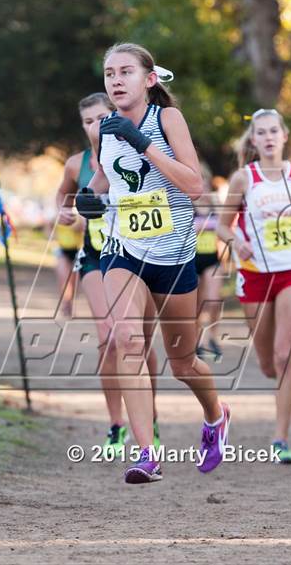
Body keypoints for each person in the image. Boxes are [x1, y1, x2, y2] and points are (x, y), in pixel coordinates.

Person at [76, 42, 230, 484]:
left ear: (149, 79)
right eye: (109, 73)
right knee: (128, 341)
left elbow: (194, 184)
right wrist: (91, 198)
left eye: (125, 71)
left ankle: (216, 416)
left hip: (174, 255)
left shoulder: (167, 119)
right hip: (123, 250)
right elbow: (104, 180)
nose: (116, 80)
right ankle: (147, 454)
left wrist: (143, 143)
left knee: (183, 363)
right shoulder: (105, 129)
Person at [56, 92, 160, 456]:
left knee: (138, 342)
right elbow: (62, 198)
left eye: (101, 118)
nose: (94, 126)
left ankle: (150, 419)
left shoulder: (132, 149)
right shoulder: (77, 163)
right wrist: (65, 212)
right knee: (109, 338)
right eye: (87, 121)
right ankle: (117, 424)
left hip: (139, 255)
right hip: (97, 257)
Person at [218, 108, 291, 463]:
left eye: (275, 130)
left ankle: (281, 439)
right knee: (266, 361)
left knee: (283, 354)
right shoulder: (244, 179)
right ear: (254, 140)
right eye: (262, 132)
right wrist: (235, 242)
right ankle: (275, 381)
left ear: (285, 135)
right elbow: (221, 225)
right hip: (254, 275)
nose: (269, 137)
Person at [194, 163, 224, 359]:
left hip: (212, 259)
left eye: (204, 181)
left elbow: (225, 226)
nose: (202, 186)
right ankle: (196, 340)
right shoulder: (186, 204)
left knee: (213, 301)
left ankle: (212, 337)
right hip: (191, 260)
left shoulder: (215, 203)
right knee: (196, 305)